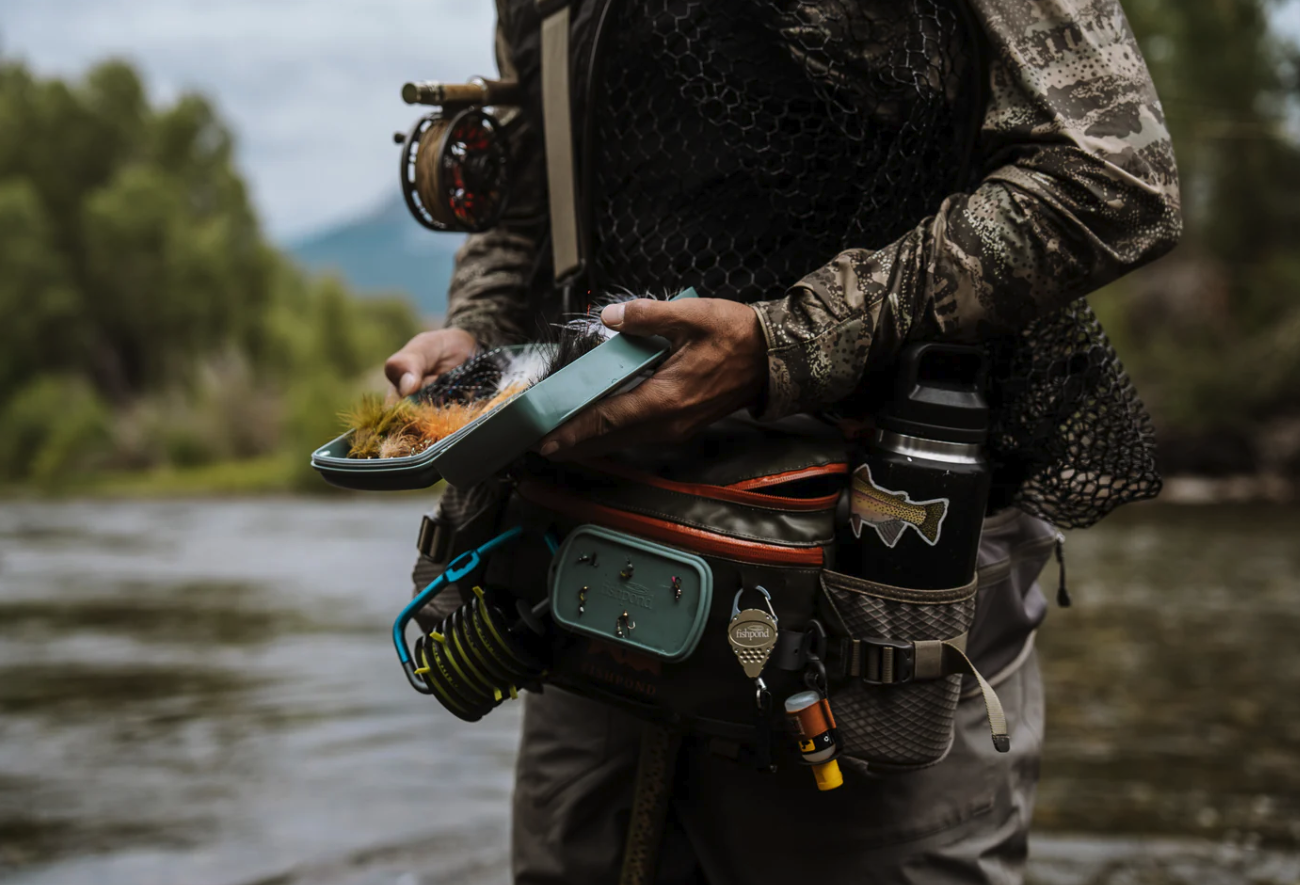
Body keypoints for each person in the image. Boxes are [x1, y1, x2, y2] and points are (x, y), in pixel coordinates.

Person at [384, 0, 1181, 881]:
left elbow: (1114, 175)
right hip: (584, 586)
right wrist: (480, 341)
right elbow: (527, 196)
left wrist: (781, 344)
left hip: (872, 578)